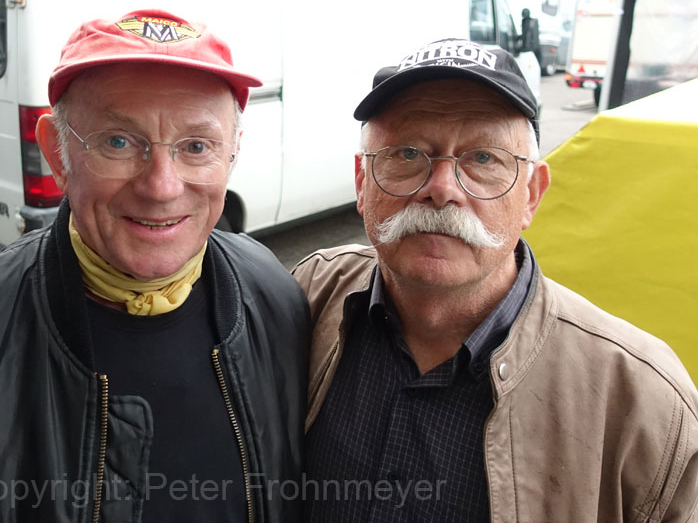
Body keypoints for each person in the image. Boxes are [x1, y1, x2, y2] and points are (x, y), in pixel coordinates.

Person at [0, 9, 310, 522]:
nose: (161, 186)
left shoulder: (275, 301)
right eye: (118, 142)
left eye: (197, 147)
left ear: (232, 154)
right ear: (57, 153)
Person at [293, 38, 698, 521]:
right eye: (406, 153)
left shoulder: (641, 401)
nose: (441, 189)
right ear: (362, 183)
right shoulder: (311, 294)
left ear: (532, 194)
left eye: (484, 159)